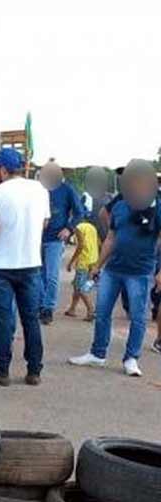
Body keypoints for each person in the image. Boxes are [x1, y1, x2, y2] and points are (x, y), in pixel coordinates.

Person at [69, 159, 161, 378]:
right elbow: (111, 237)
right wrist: (97, 265)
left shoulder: (157, 206)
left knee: (138, 317)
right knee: (102, 312)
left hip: (140, 272)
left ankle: (131, 358)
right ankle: (97, 353)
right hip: (113, 270)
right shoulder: (119, 205)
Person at [0, 148, 50, 387]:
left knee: (4, 319)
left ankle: (1, 371)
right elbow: (45, 222)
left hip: (1, 266)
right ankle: (34, 371)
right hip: (30, 263)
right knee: (31, 319)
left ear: (2, 169)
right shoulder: (39, 190)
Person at [37, 161, 87, 325]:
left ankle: (48, 308)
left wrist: (69, 229)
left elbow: (79, 212)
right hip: (37, 238)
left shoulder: (67, 190)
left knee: (51, 275)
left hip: (55, 239)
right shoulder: (38, 189)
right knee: (38, 275)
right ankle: (40, 304)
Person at [64, 218, 100, 321]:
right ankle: (72, 308)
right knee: (77, 285)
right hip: (93, 259)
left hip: (83, 261)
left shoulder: (78, 228)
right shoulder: (92, 227)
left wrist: (71, 262)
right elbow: (98, 243)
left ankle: (91, 310)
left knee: (81, 288)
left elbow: (81, 246)